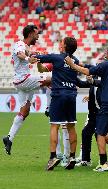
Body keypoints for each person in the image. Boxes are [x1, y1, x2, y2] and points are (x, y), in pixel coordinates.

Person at [64, 46, 108, 172]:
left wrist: (72, 65)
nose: (104, 55)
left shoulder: (107, 65)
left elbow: (87, 71)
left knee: (100, 133)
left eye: (105, 53)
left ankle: (103, 163)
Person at [2, 25, 51, 155]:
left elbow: (29, 53)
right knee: (52, 78)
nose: (38, 36)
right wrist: (29, 58)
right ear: (30, 34)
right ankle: (49, 108)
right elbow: (20, 54)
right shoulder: (20, 44)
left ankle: (9, 138)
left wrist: (37, 56)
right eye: (36, 34)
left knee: (25, 111)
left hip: (20, 82)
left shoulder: (27, 47)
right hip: (24, 80)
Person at [35, 37, 79, 171]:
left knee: (54, 126)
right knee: (71, 126)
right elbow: (42, 69)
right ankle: (72, 157)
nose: (60, 44)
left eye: (61, 43)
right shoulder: (75, 61)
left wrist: (36, 56)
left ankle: (53, 156)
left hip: (59, 95)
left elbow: (38, 58)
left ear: (64, 46)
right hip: (71, 95)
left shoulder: (57, 58)